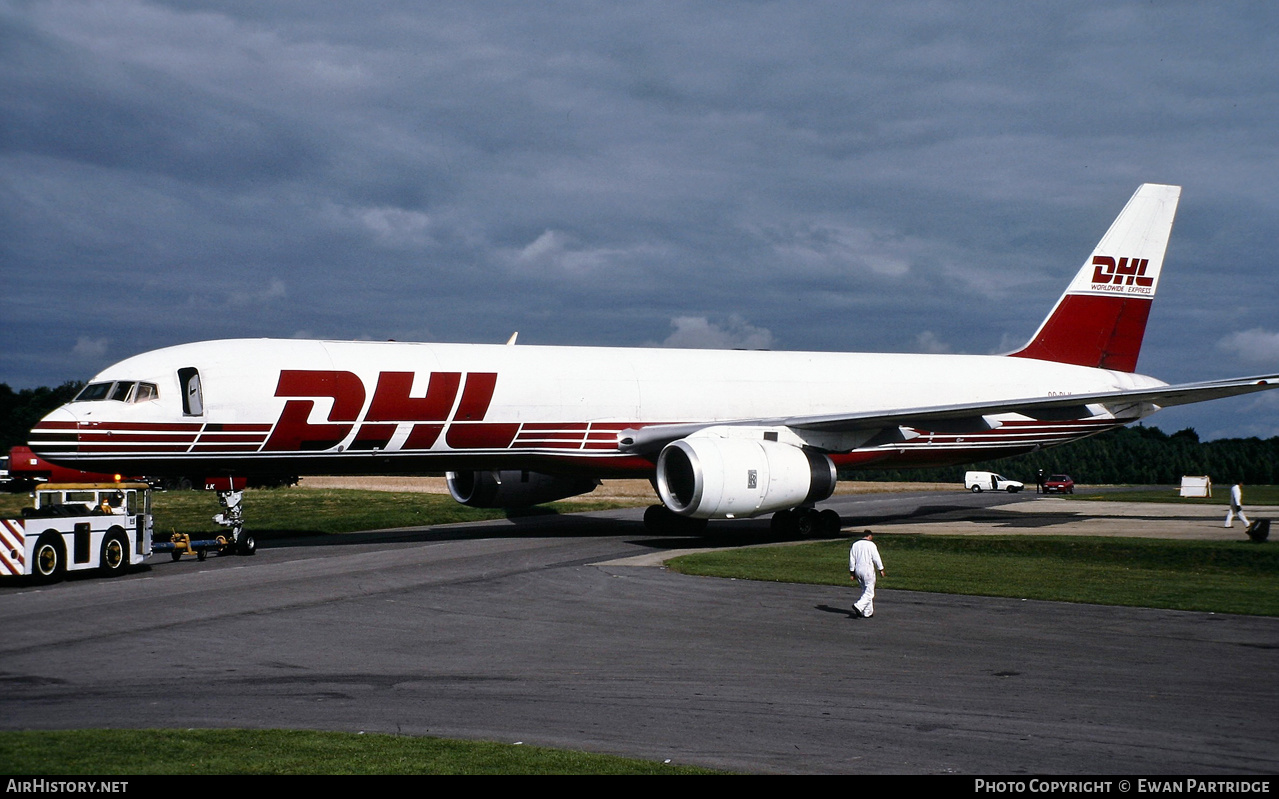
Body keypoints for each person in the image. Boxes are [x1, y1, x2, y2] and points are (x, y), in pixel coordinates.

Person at [849, 531, 886, 618]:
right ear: (869, 536)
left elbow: (852, 559)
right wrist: (881, 569)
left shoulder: (855, 544)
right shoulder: (871, 545)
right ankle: (859, 605)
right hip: (867, 569)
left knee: (865, 590)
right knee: (870, 593)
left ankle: (868, 612)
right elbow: (876, 558)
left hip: (858, 569)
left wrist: (852, 572)